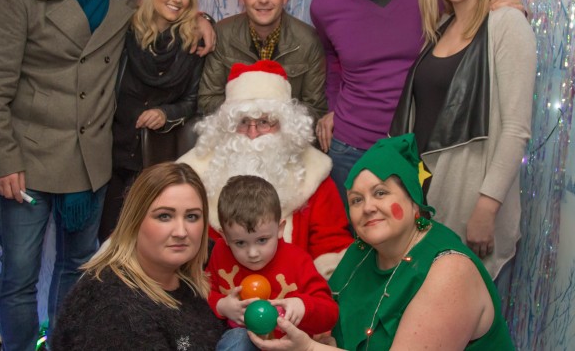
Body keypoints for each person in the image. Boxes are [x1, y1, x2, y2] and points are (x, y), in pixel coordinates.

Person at [0, 0, 214, 350]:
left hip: (90, 164)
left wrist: (202, 19)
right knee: (20, 275)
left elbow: (165, 6)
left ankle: (66, 344)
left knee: (80, 267)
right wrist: (3, 159)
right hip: (28, 161)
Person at [310, 0, 525, 206]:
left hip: (417, 150)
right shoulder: (325, 6)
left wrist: (507, 3)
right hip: (350, 151)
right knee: (357, 250)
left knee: (414, 251)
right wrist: (331, 106)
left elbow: (477, 12)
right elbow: (333, 59)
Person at [249, 134, 514, 351]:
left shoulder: (449, 271)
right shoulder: (361, 253)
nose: (368, 208)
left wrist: (308, 349)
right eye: (356, 200)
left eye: (380, 193)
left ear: (413, 202)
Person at [390, 0, 536, 278]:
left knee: (467, 327)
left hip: (470, 198)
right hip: (427, 196)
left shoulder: (506, 24)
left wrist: (487, 208)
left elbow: (516, 129)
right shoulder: (440, 28)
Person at [179, 60, 352, 277]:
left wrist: (309, 296)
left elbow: (331, 244)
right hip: (218, 291)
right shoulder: (195, 172)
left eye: (264, 122)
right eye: (243, 122)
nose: (253, 134)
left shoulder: (313, 172)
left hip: (293, 293)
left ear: (285, 125)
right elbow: (181, 240)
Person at [51, 162, 226, 350]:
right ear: (134, 221)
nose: (181, 232)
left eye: (192, 217)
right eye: (164, 216)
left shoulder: (184, 276)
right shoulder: (113, 309)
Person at [98, 0, 205, 242]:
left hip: (157, 163)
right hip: (112, 160)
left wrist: (166, 113)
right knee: (109, 243)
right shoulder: (123, 33)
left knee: (152, 246)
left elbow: (194, 101)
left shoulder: (193, 44)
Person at [208, 175, 339, 350]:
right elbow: (201, 293)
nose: (253, 253)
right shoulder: (219, 253)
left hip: (289, 346)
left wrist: (302, 306)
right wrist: (221, 305)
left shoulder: (298, 261)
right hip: (241, 342)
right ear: (224, 236)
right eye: (240, 243)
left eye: (262, 240)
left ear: (280, 229)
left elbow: (330, 312)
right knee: (238, 339)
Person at [198, 0, 327, 122]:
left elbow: (316, 108)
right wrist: (250, 114)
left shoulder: (308, 40)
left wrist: (272, 118)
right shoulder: (222, 34)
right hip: (234, 137)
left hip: (285, 140)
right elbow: (207, 100)